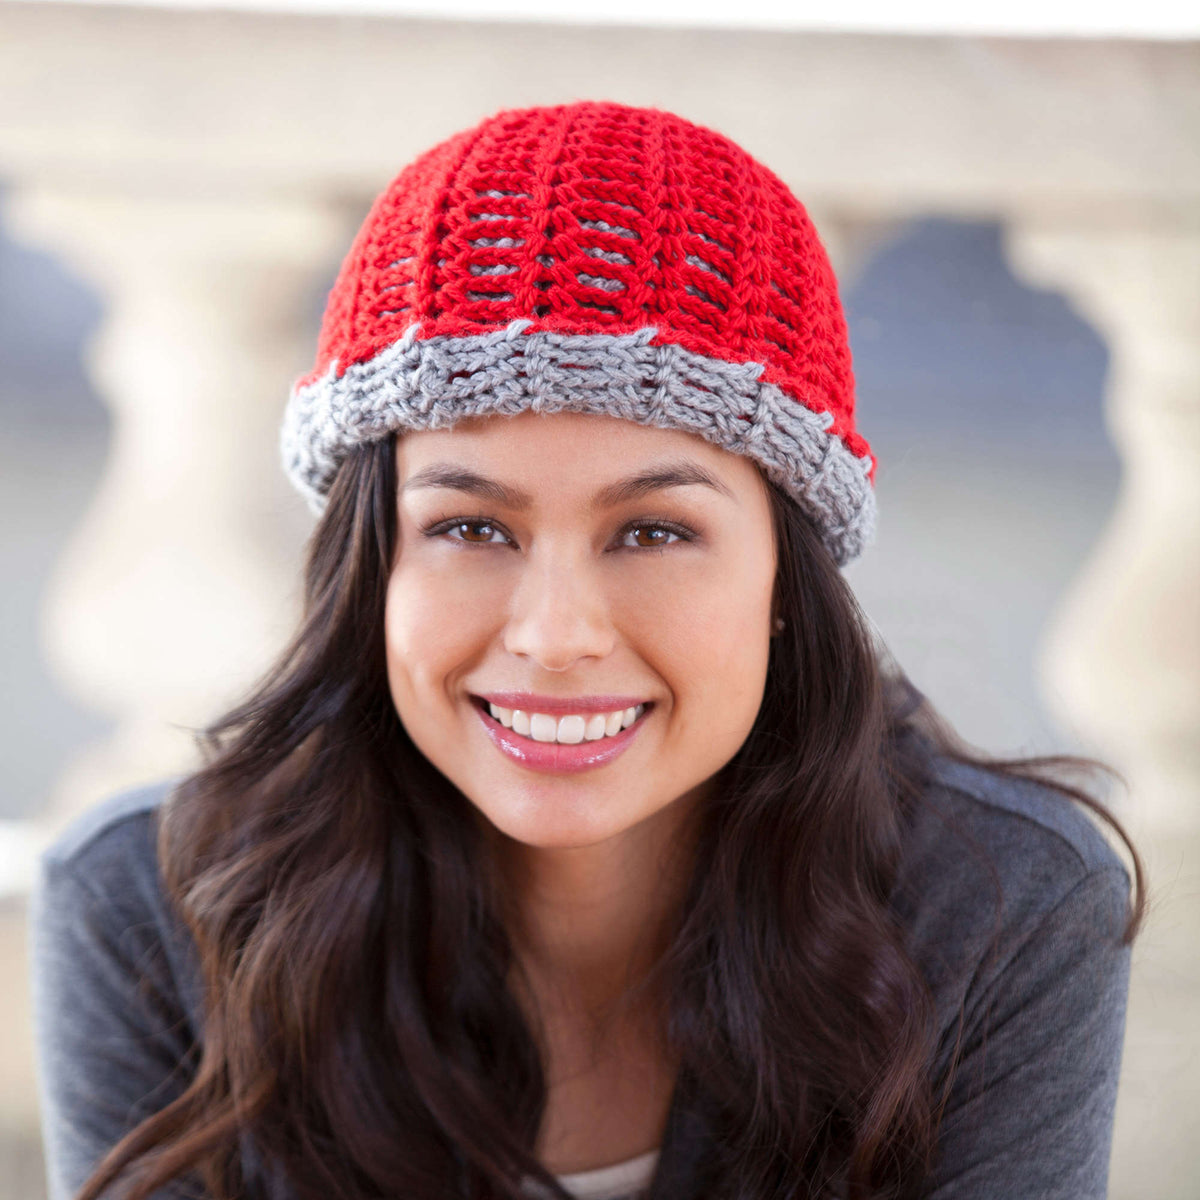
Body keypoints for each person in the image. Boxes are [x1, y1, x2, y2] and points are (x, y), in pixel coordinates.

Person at [30, 101, 1146, 1200]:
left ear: (784, 582)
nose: (556, 635)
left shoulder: (1003, 909)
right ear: (371, 569)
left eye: (655, 532)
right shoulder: (150, 915)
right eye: (471, 528)